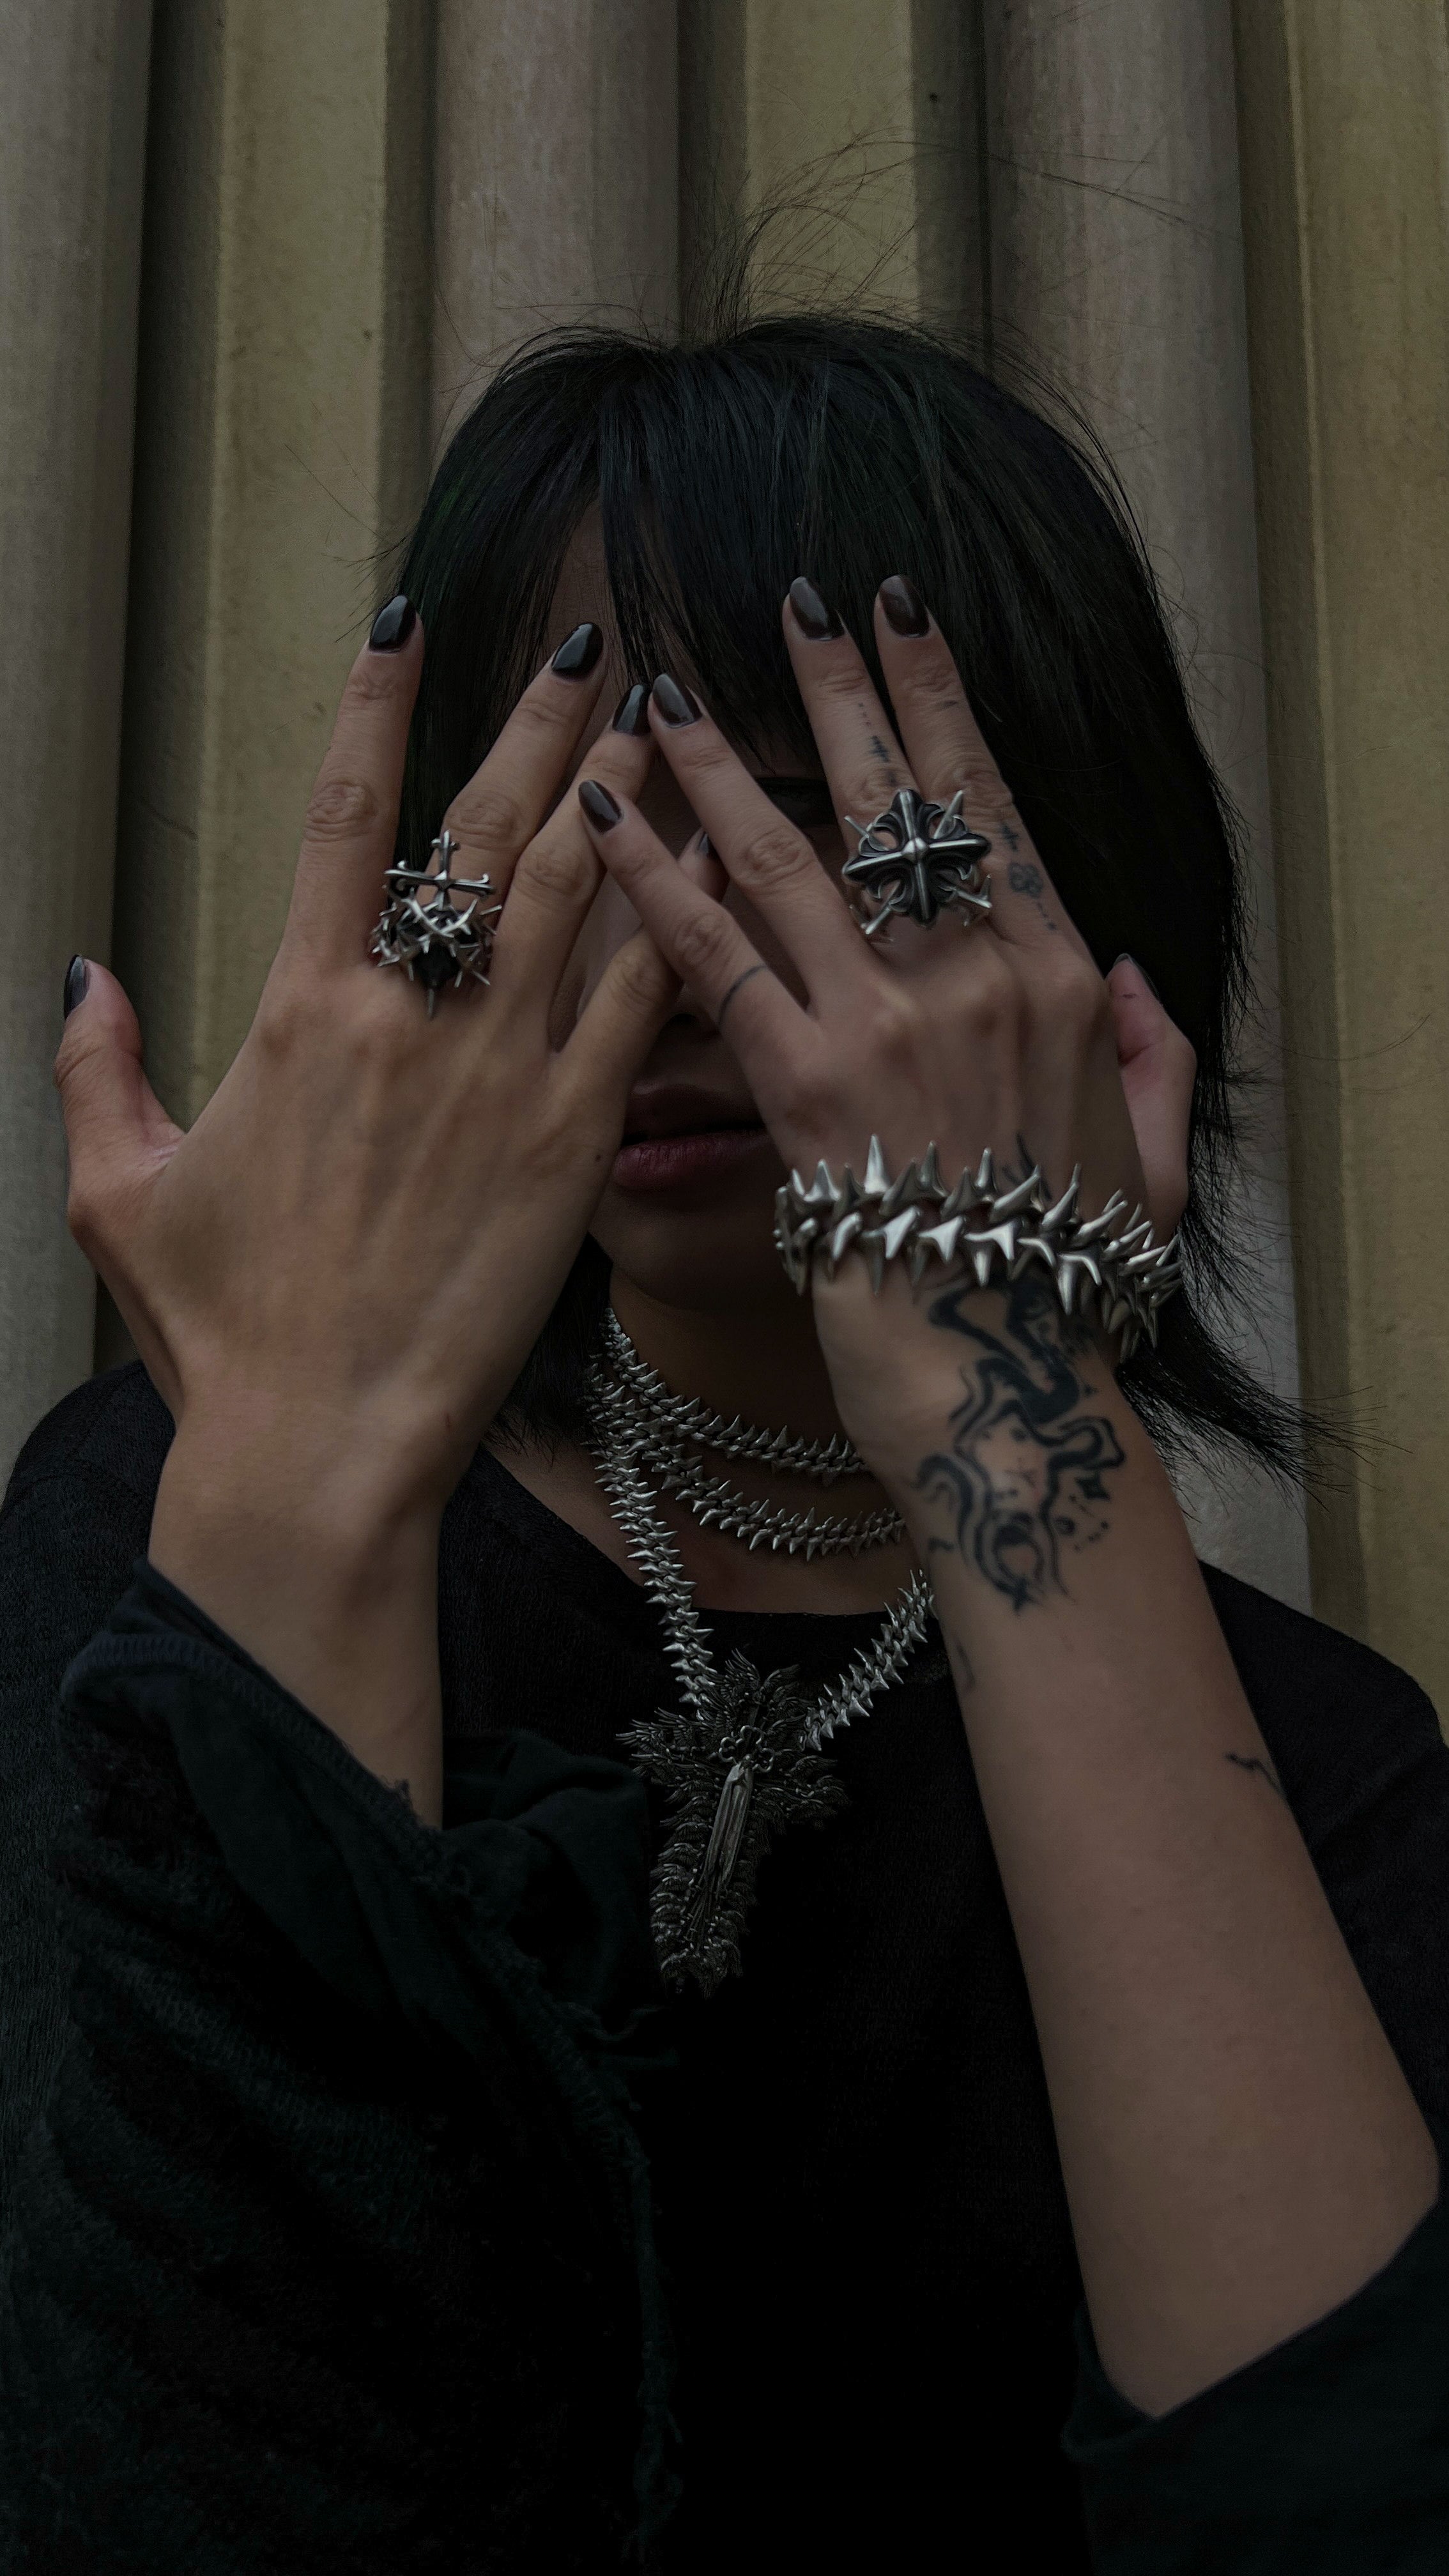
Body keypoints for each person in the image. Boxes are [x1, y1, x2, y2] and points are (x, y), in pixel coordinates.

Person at [3, 313, 1448, 2575]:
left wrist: (998, 1371)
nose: (669, 949)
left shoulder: (1330, 1777)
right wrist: (307, 1481)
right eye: (582, 826)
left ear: (1075, 926)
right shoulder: (177, 1513)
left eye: (814, 837)